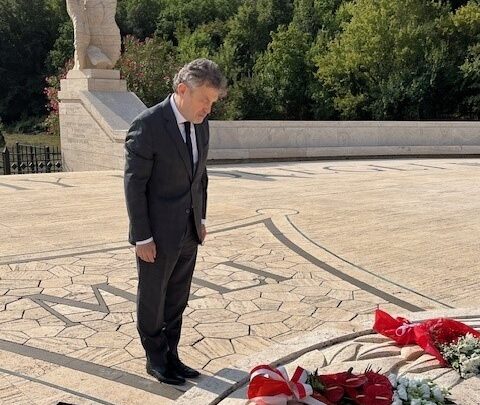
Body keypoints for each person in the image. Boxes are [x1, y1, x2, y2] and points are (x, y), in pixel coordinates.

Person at [124, 59, 227, 385]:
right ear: (182, 90)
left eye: (212, 102)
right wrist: (142, 238)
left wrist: (202, 218)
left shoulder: (201, 123)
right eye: (204, 100)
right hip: (156, 235)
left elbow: (201, 176)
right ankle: (155, 360)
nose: (208, 109)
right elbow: (134, 185)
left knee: (178, 297)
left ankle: (172, 354)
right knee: (153, 298)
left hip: (189, 231)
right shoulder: (148, 126)